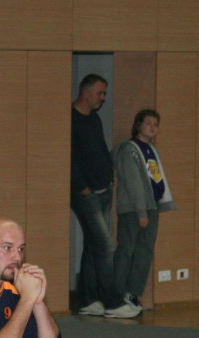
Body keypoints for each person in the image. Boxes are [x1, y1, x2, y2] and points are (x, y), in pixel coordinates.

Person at [70, 74, 139, 319]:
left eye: (104, 93)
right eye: (100, 93)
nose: (103, 98)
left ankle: (89, 299)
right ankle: (112, 302)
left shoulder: (94, 118)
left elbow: (100, 148)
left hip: (103, 190)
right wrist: (82, 187)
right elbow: (70, 157)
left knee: (93, 245)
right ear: (86, 92)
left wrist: (109, 177)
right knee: (105, 245)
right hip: (85, 193)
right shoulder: (71, 119)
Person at [113, 109, 176, 308]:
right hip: (133, 208)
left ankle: (132, 292)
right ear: (138, 125)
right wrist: (141, 212)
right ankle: (116, 294)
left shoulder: (152, 150)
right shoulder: (129, 149)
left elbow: (156, 178)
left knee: (145, 251)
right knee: (126, 249)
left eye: (156, 125)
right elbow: (134, 183)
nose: (152, 127)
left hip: (152, 207)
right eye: (148, 123)